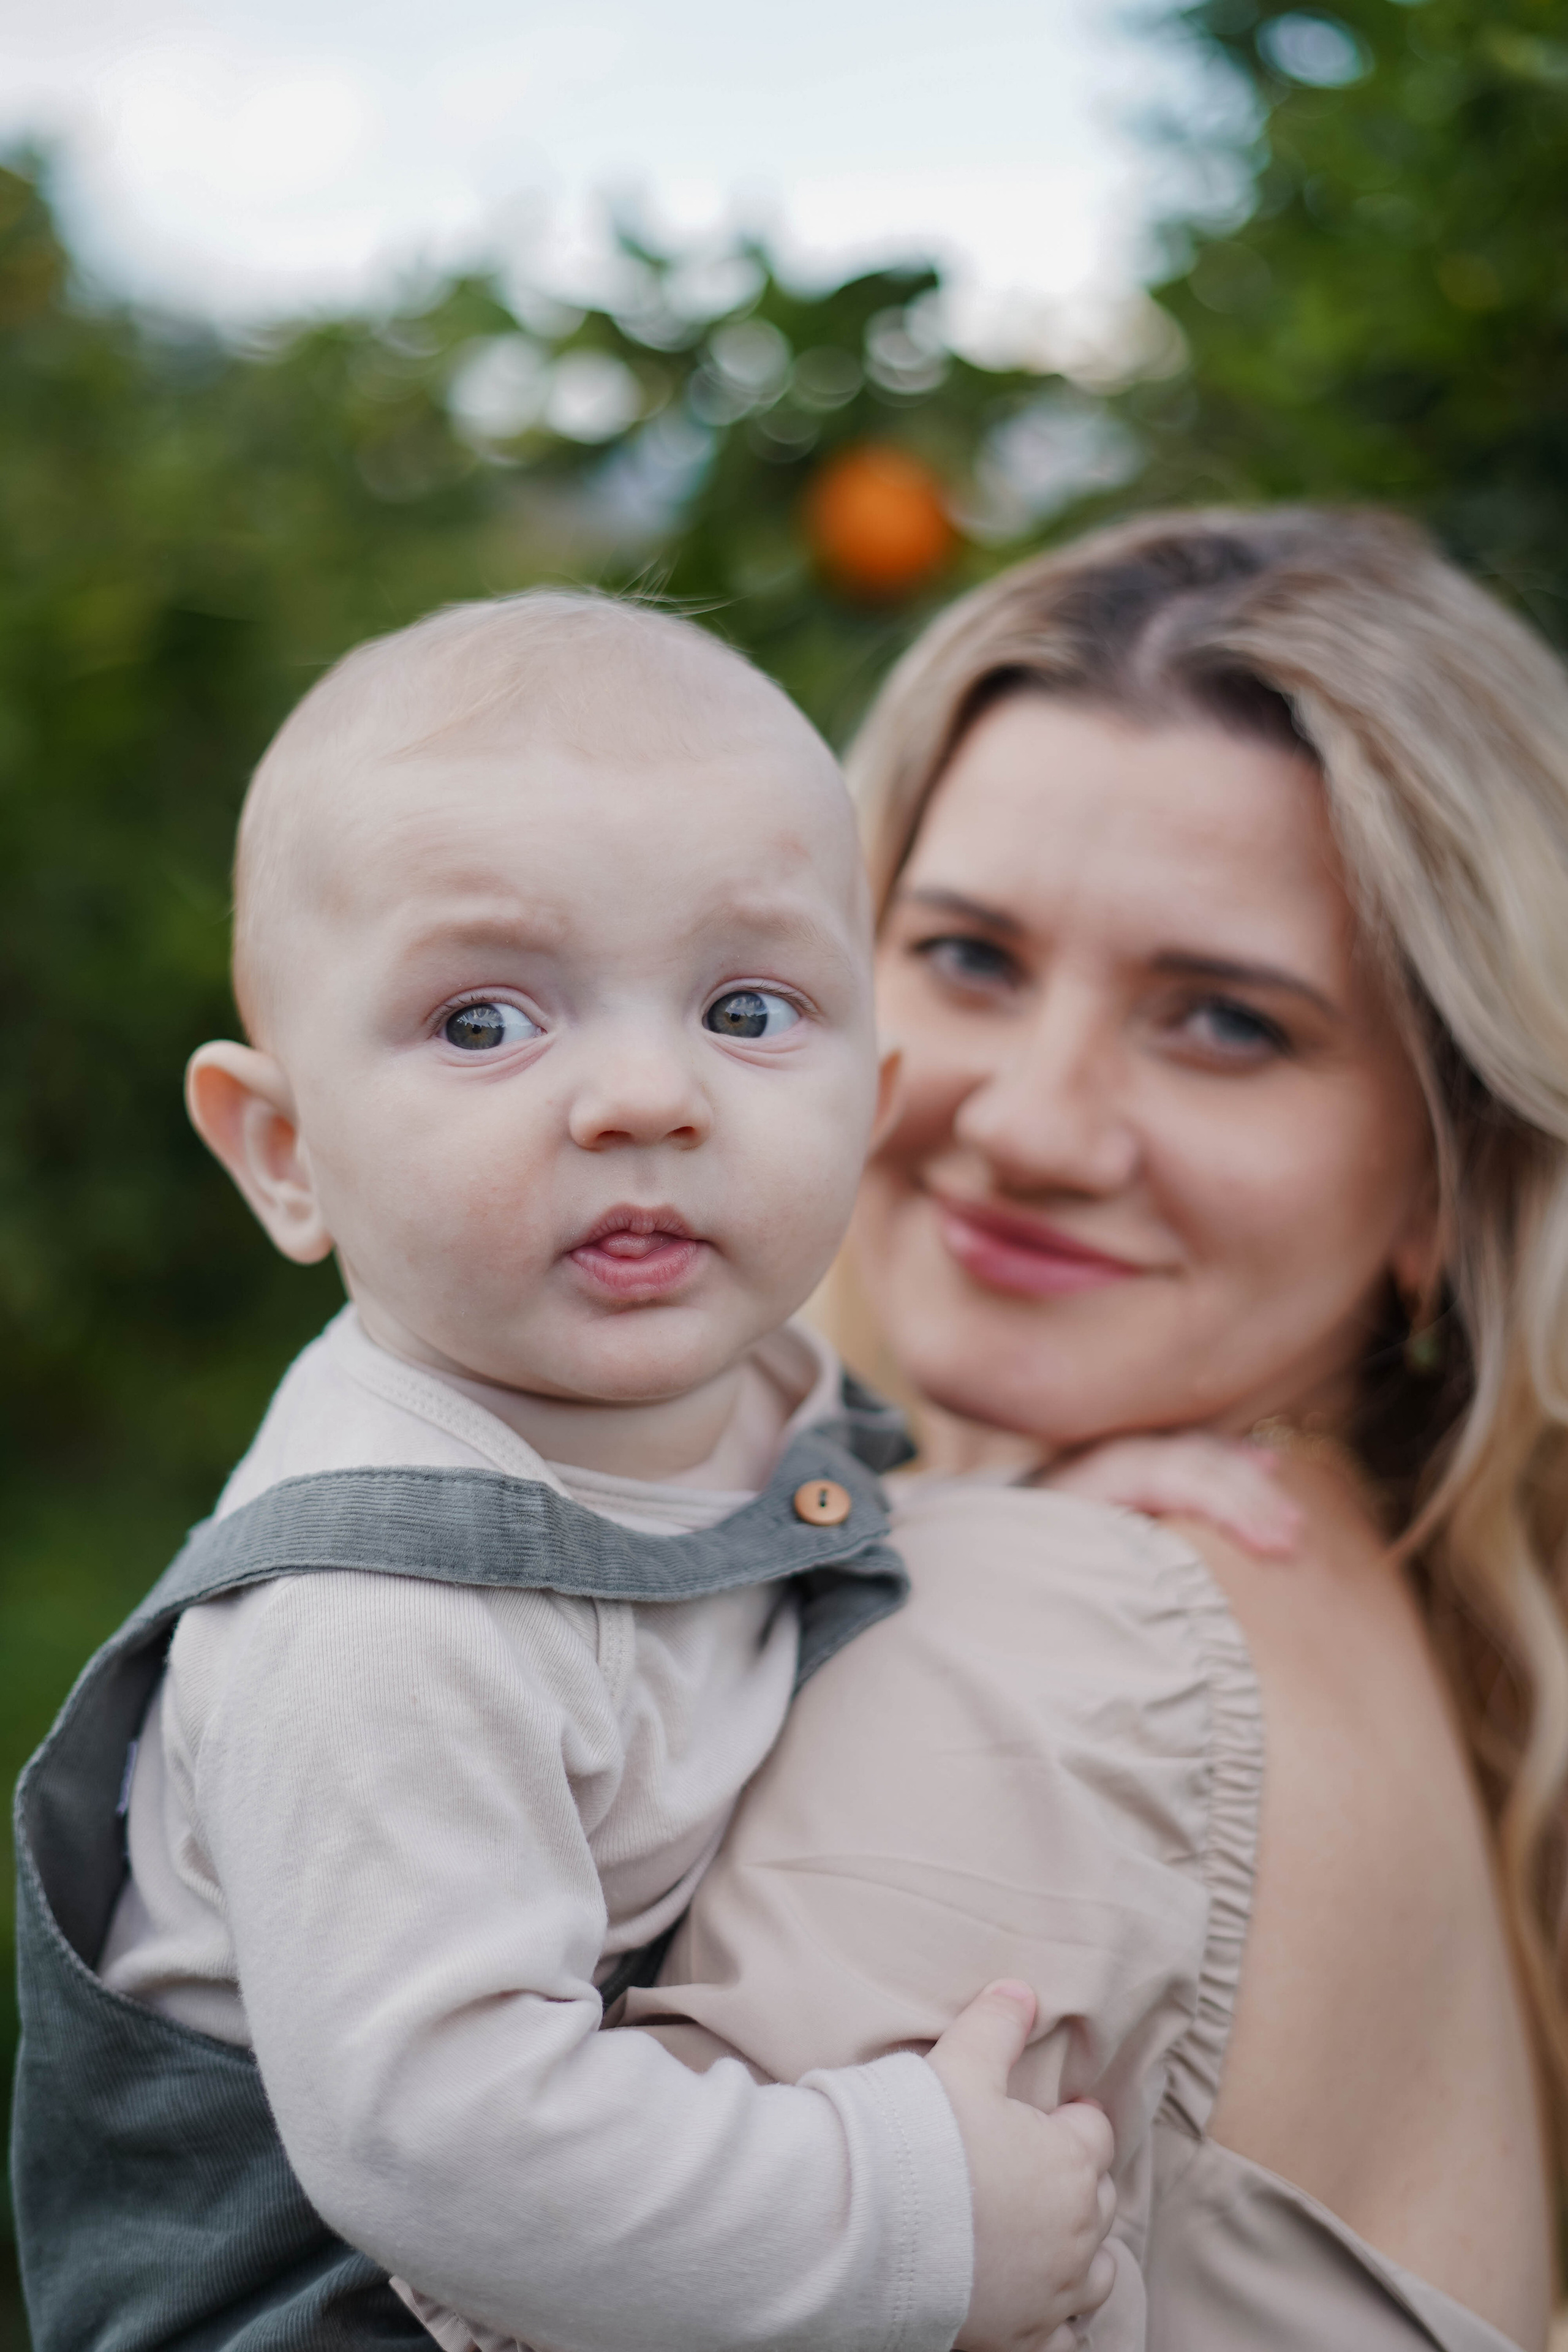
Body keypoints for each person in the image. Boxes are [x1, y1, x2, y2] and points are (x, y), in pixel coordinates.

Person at [12, 592, 1124, 2352]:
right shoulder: (380, 1625)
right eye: (484, 1024)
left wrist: (1121, 1497)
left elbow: (848, 1520)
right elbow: (455, 2150)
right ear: (286, 1155)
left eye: (748, 1008)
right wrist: (916, 2214)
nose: (643, 1096)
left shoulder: (745, 1392)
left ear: (872, 1096)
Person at [630, 508, 1567, 2352]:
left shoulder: (1053, 1647)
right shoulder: (1335, 1610)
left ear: (1440, 1180)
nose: (1039, 1127)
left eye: (1225, 1021)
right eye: (968, 957)